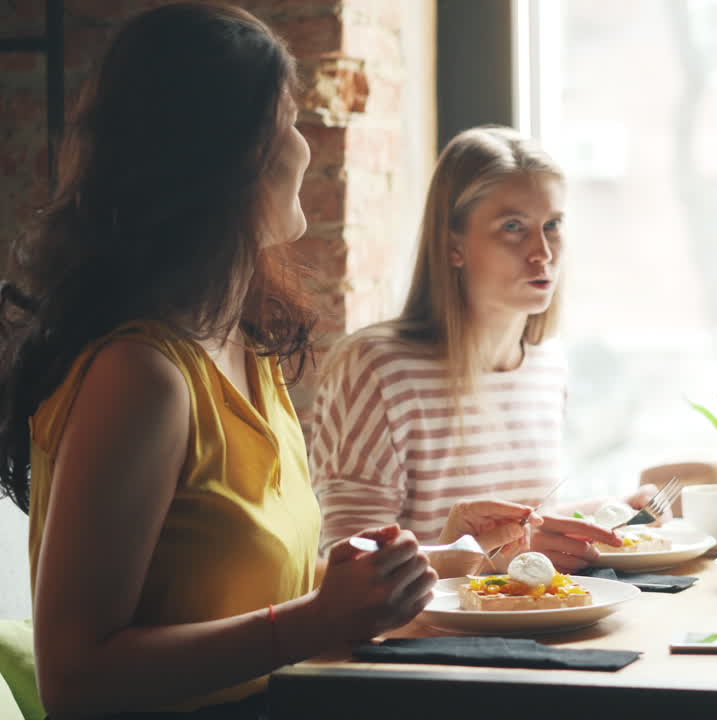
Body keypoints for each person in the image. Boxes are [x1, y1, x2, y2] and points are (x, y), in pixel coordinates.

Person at [0, 5, 531, 716]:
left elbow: (245, 593)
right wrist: (316, 621)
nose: (306, 149)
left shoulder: (246, 349)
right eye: (286, 123)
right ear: (226, 158)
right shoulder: (141, 376)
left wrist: (432, 562)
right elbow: (73, 680)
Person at [310, 126, 656, 572]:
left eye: (552, 225)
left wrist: (613, 511)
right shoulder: (377, 369)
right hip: (424, 637)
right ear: (453, 246)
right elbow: (351, 564)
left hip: (532, 626)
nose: (542, 252)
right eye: (513, 227)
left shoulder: (547, 365)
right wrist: (485, 560)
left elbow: (523, 522)